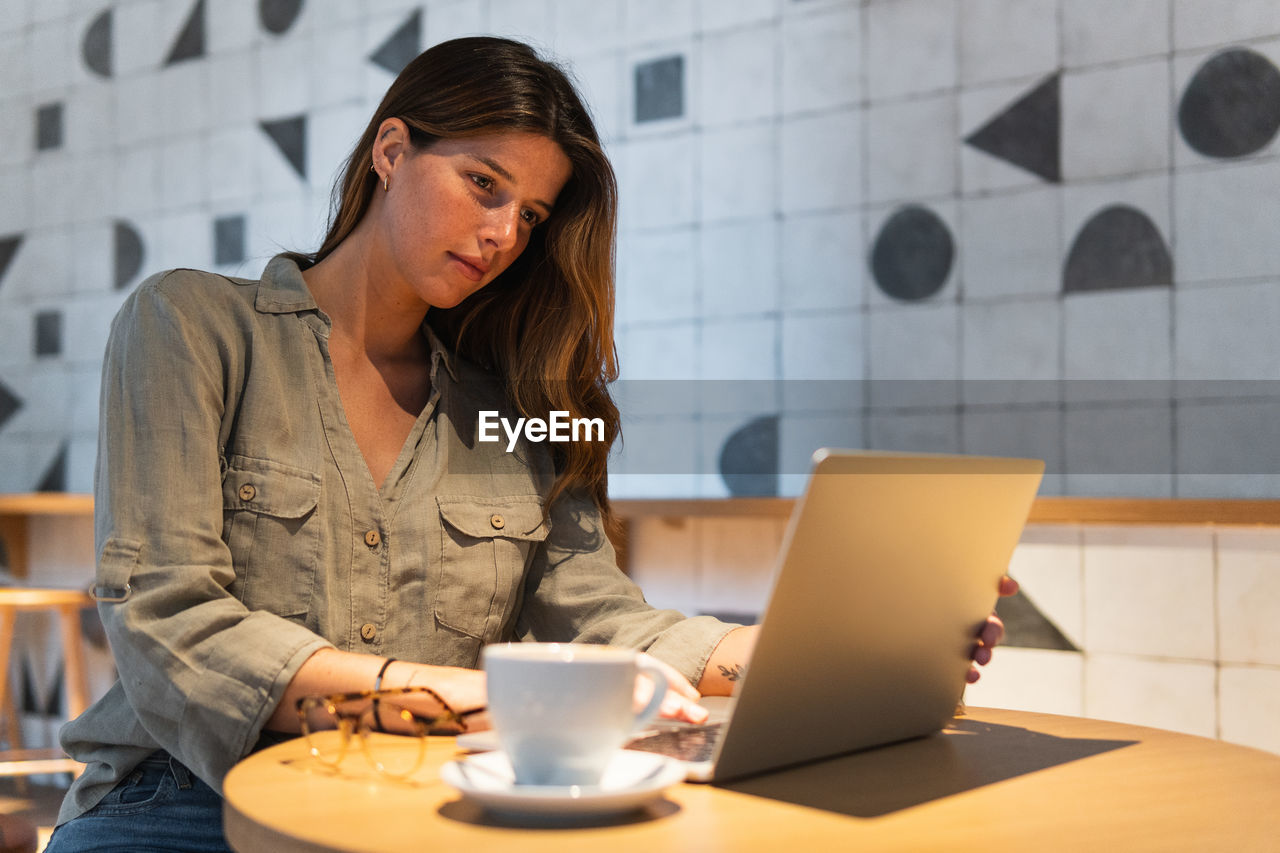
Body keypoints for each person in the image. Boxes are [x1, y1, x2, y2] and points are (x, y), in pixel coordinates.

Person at [44, 36, 1014, 852]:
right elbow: (170, 617)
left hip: (412, 804)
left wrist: (838, 648)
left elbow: (601, 622)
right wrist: (477, 701)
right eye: (481, 184)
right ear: (391, 148)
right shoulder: (193, 324)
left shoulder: (514, 402)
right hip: (180, 808)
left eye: (533, 214)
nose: (504, 232)